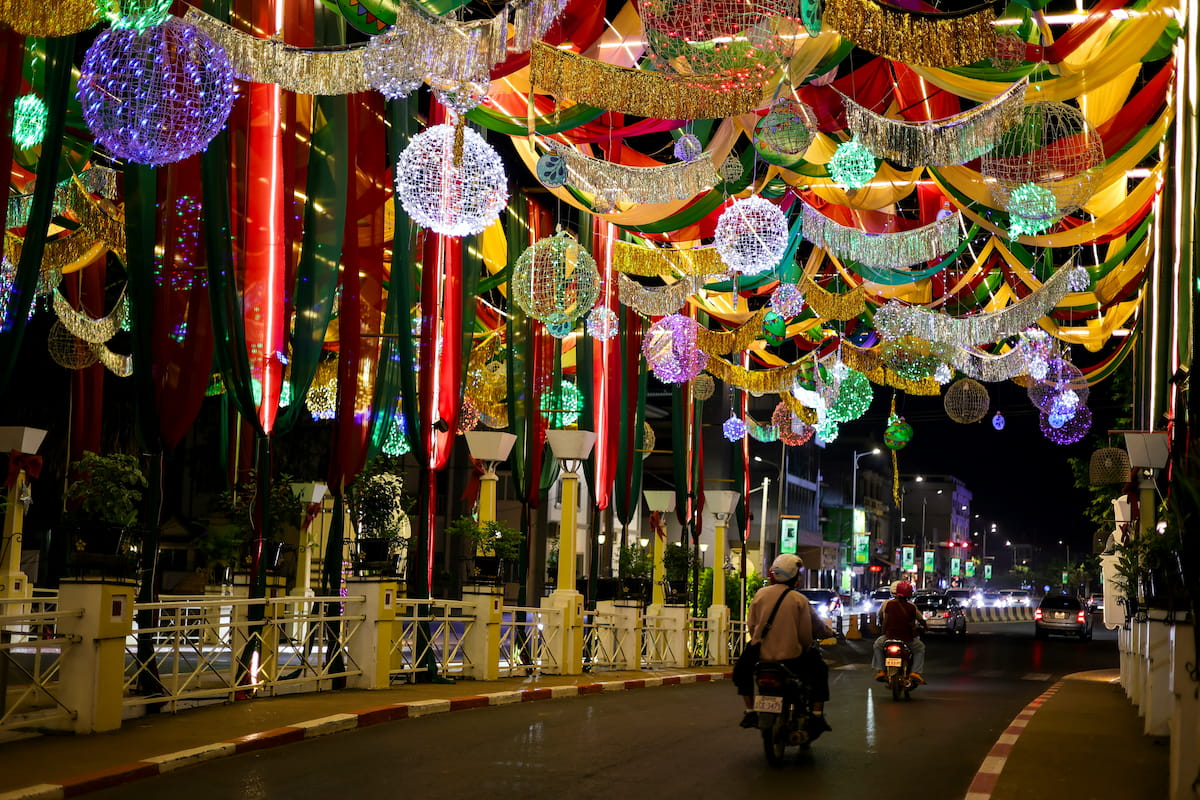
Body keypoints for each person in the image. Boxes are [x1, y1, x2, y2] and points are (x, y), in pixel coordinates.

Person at [736, 553, 833, 731]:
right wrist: (804, 646)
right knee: (820, 670)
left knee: (741, 671)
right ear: (795, 576)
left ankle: (750, 710)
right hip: (791, 658)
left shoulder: (760, 595)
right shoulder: (799, 600)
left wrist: (761, 641)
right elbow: (805, 636)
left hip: (762, 655)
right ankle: (817, 715)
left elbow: (751, 625)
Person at [872, 580, 927, 684]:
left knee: (877, 645)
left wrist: (884, 633)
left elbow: (885, 621)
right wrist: (925, 628)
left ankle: (881, 670)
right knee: (920, 648)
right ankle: (915, 672)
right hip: (907, 638)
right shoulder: (911, 607)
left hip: (889, 636)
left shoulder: (888, 604)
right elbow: (917, 621)